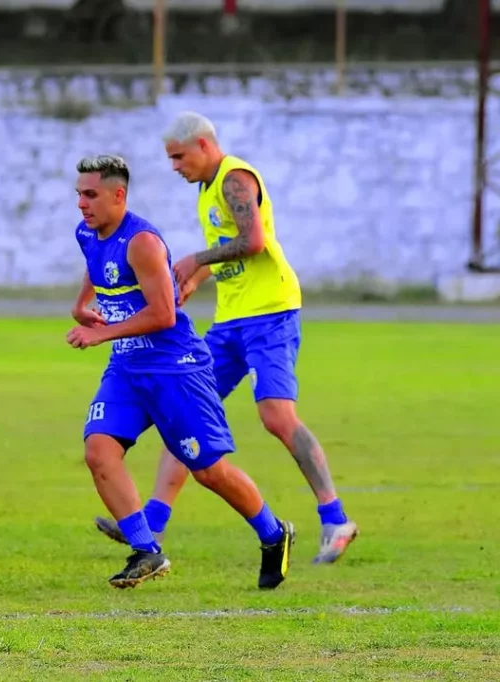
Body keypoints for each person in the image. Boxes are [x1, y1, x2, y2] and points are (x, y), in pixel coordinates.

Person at [92, 111, 359, 565]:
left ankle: (335, 518)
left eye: (178, 157)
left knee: (276, 417)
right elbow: (230, 250)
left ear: (202, 145)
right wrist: (201, 276)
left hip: (270, 314)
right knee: (183, 412)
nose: (175, 166)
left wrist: (195, 259)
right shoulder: (205, 191)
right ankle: (151, 523)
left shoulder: (235, 178)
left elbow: (252, 241)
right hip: (230, 319)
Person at [68, 154, 294, 590]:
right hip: (128, 367)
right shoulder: (87, 231)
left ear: (119, 195)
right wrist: (82, 305)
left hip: (175, 368)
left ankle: (272, 533)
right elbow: (95, 266)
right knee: (99, 451)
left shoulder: (143, 242)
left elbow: (164, 315)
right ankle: (146, 551)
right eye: (79, 194)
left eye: (90, 194)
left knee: (207, 469)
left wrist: (103, 334)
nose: (82, 203)